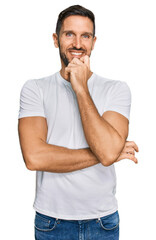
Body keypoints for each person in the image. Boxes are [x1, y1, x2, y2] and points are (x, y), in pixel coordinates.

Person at [18, 5, 138, 240]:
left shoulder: (116, 89)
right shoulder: (35, 89)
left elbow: (107, 152)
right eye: (69, 34)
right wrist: (108, 153)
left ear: (94, 42)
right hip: (51, 222)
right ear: (56, 39)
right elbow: (34, 158)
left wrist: (80, 88)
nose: (77, 44)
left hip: (103, 222)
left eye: (85, 36)